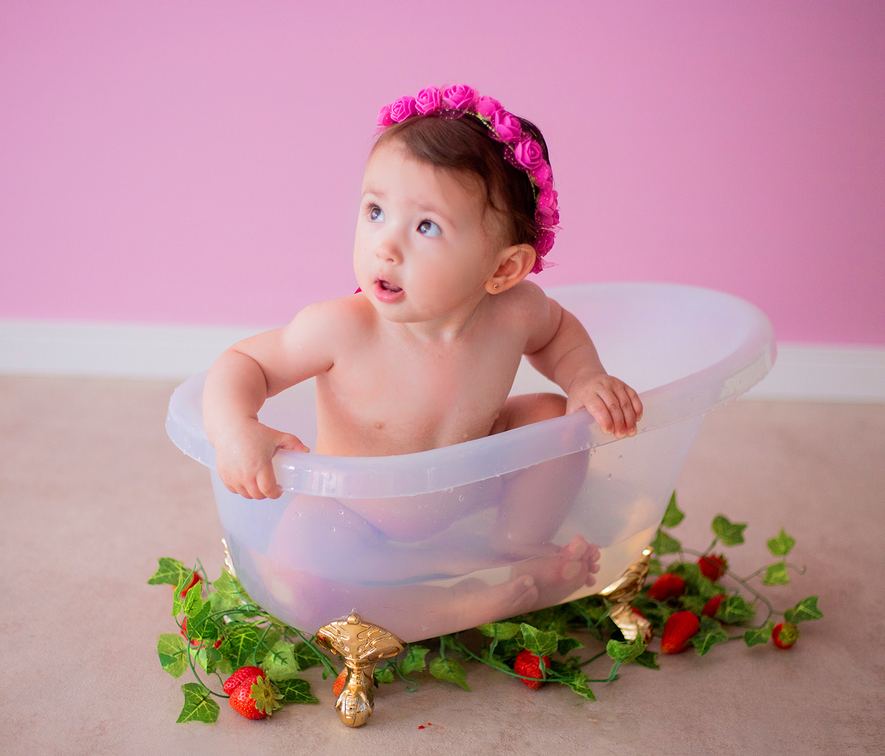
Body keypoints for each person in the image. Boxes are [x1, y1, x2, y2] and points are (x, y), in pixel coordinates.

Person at [202, 85, 643, 632]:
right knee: (302, 579)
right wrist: (236, 429)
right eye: (375, 210)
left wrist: (585, 378)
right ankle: (462, 604)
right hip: (354, 512)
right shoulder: (343, 328)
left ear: (503, 270)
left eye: (426, 226)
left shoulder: (515, 312)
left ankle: (518, 543)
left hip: (468, 486)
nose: (386, 246)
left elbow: (559, 335)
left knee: (555, 417)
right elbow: (245, 363)